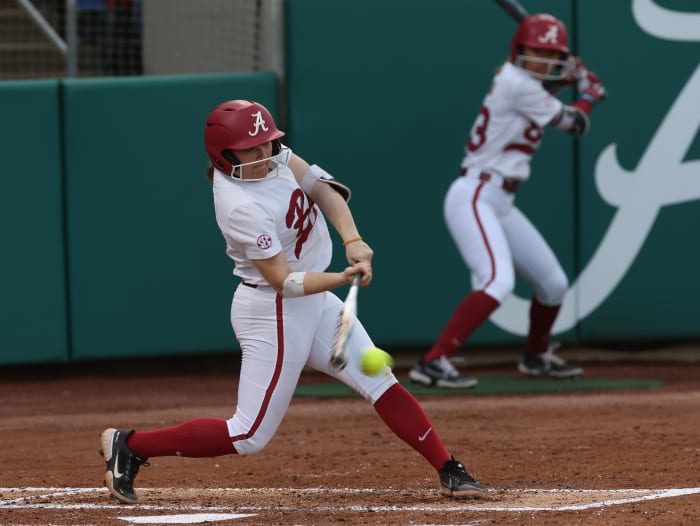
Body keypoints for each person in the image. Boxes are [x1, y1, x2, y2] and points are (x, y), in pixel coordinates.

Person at [99, 99, 486, 504]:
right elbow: (284, 282)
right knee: (248, 434)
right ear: (223, 155)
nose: (263, 153)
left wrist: (353, 240)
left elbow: (323, 190)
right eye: (250, 149)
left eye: (266, 142)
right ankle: (132, 445)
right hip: (273, 311)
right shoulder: (238, 205)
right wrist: (342, 277)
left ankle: (448, 468)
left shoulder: (275, 156)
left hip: (313, 302)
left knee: (380, 379)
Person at [409, 14, 606, 389]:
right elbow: (574, 123)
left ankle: (536, 355)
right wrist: (588, 94)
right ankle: (433, 360)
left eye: (550, 54)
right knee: (497, 281)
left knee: (553, 284)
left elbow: (540, 99)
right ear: (519, 50)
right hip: (476, 194)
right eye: (536, 52)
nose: (543, 60)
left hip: (500, 199)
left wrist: (568, 82)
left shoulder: (522, 84)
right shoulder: (517, 82)